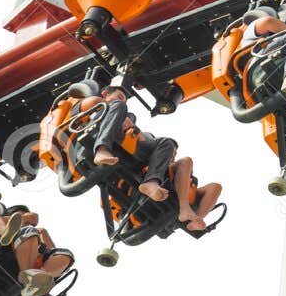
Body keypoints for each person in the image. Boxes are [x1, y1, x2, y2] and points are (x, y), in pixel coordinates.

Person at [82, 88, 219, 231]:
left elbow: (137, 134)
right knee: (120, 107)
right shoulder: (103, 106)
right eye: (120, 96)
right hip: (105, 132)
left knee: (168, 142)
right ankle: (102, 149)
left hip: (133, 146)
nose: (123, 100)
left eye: (124, 98)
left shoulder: (129, 117)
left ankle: (156, 186)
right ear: (105, 94)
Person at [0, 193, 74, 296]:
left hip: (22, 269)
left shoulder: (34, 234)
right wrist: (24, 219)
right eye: (18, 218)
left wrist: (42, 233)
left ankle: (33, 281)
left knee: (66, 255)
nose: (23, 221)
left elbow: (51, 252)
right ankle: (30, 280)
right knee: (26, 231)